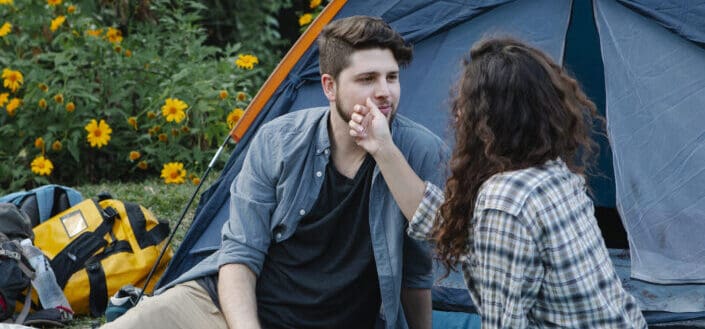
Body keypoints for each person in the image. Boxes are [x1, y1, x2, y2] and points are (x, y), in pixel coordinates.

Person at [103, 16, 448, 329]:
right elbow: (240, 253)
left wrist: (385, 151)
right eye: (367, 79)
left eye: (392, 78)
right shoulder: (278, 141)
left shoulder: (417, 151)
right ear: (329, 87)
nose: (384, 92)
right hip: (230, 309)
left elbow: (428, 254)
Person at [348, 37, 647, 328]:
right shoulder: (551, 173)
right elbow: (446, 225)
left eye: (466, 103)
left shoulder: (506, 200)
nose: (458, 112)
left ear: (489, 117)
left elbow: (503, 322)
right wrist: (382, 147)